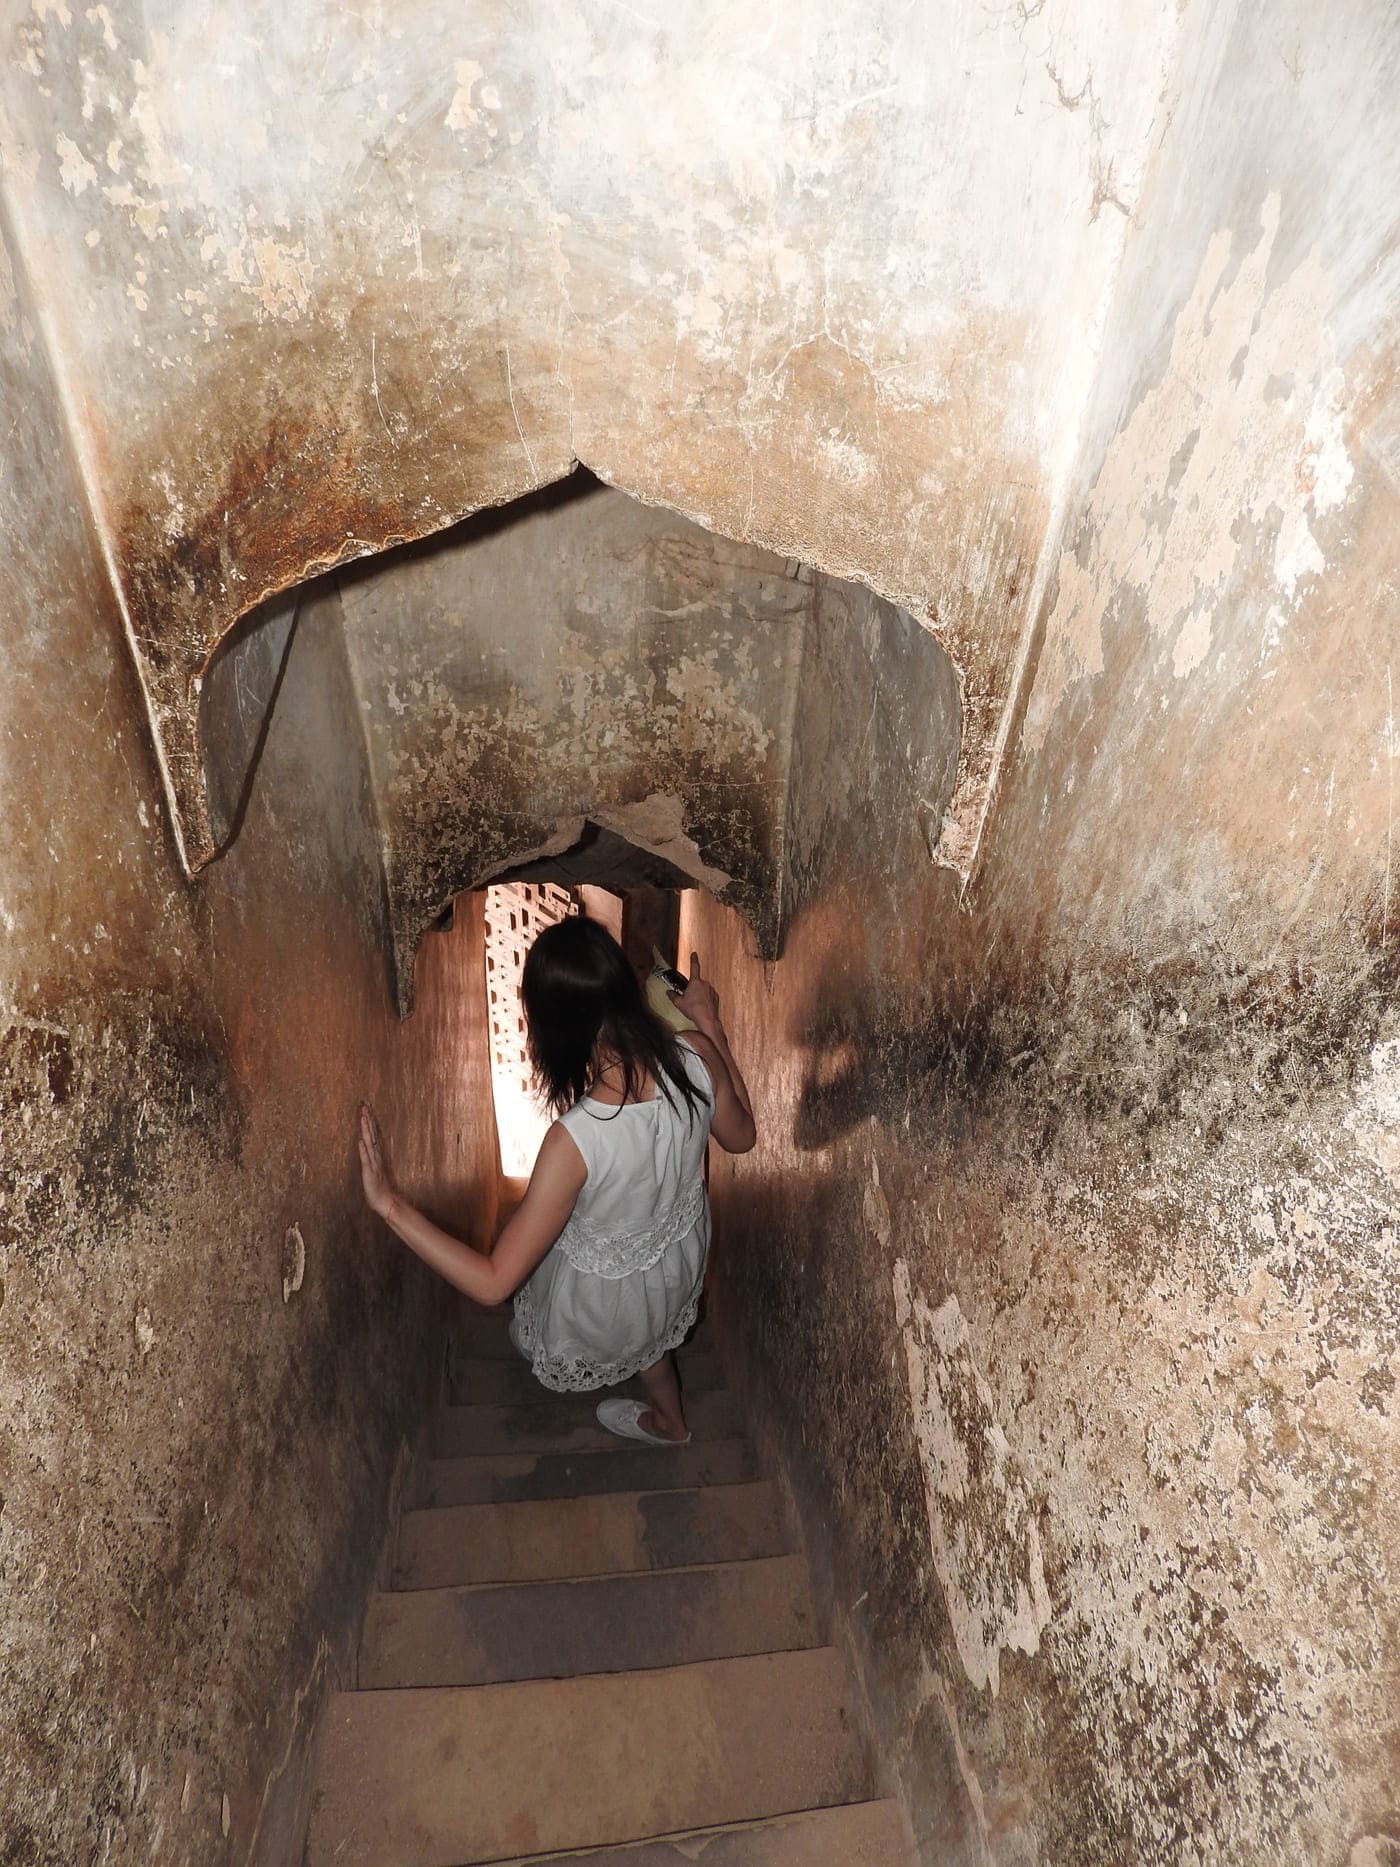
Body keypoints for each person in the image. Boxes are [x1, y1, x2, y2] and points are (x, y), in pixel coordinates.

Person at [357, 919, 756, 1445]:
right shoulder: (696, 1054)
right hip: (674, 1261)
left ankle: (669, 1420)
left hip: (607, 1295)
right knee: (652, 1336)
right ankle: (671, 1423)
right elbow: (742, 1137)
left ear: (556, 1025)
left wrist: (388, 1203)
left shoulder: (577, 1139)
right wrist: (709, 1024)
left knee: (632, 1331)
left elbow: (495, 1281)